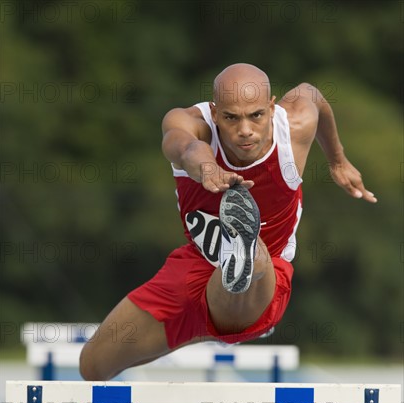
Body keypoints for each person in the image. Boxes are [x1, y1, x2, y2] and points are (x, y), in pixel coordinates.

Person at [79, 63, 377, 381]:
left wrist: (338, 160)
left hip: (266, 280)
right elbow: (182, 146)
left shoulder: (294, 124)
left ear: (272, 107)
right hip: (191, 269)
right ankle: (200, 330)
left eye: (256, 116)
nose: (245, 130)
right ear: (215, 112)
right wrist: (206, 165)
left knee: (249, 263)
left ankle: (245, 252)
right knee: (93, 366)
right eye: (231, 118)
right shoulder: (188, 122)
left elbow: (314, 96)